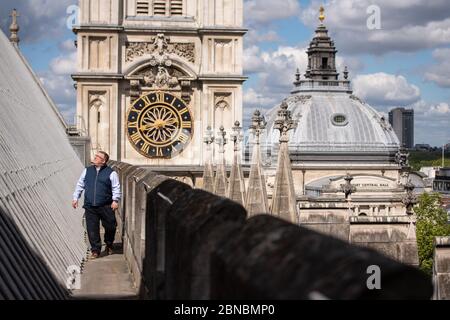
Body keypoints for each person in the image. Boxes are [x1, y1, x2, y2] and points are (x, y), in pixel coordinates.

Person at [72, 151, 121, 259]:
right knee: (92, 229)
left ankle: (109, 244)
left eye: (98, 157)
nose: (95, 157)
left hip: (106, 205)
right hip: (90, 205)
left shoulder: (111, 173)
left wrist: (115, 200)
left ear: (103, 161)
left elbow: (116, 187)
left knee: (111, 226)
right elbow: (80, 184)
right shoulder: (87, 171)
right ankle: (95, 250)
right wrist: (76, 198)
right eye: (96, 156)